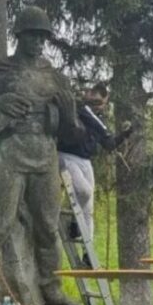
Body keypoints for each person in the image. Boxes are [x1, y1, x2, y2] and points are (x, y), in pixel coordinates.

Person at [0, 6, 82, 305]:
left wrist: (69, 112)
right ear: (19, 35)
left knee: (47, 225)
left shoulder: (56, 78)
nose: (38, 42)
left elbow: (72, 134)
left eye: (42, 36)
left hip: (44, 156)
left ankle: (51, 286)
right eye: (32, 35)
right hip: (9, 155)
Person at [57, 82, 132, 246]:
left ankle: (87, 253)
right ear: (88, 95)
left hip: (85, 160)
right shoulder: (80, 109)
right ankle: (71, 221)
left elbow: (109, 144)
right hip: (66, 155)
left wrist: (125, 135)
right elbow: (106, 137)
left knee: (88, 208)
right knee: (82, 191)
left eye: (100, 103)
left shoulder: (97, 117)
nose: (97, 106)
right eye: (94, 101)